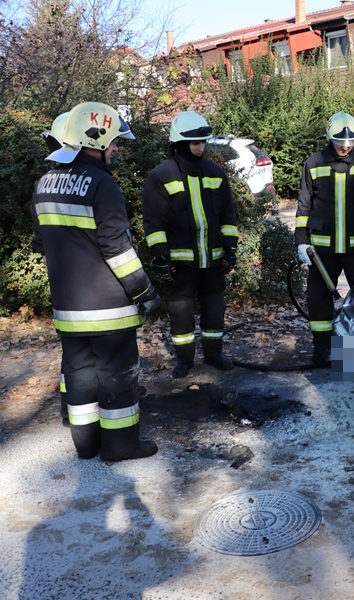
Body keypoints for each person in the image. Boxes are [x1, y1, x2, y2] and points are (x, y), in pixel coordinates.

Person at [32, 102, 162, 461]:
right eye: (114, 142)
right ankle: (121, 446)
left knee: (79, 376)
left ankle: (87, 445)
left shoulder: (44, 183)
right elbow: (117, 248)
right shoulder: (102, 184)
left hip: (68, 308)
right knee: (117, 375)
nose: (116, 148)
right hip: (109, 309)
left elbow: (42, 244)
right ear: (97, 140)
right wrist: (144, 291)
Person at [142, 111, 239, 378]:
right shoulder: (160, 176)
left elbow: (228, 215)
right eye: (195, 143)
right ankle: (184, 359)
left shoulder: (215, 173)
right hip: (180, 262)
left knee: (215, 309)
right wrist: (161, 258)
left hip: (213, 260)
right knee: (181, 312)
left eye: (203, 142)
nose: (201, 148)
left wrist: (230, 249)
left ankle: (214, 354)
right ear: (180, 144)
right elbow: (154, 221)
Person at [295, 111, 354, 366]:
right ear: (329, 138)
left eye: (351, 142)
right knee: (318, 299)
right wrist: (302, 241)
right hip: (322, 250)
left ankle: (352, 362)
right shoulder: (314, 163)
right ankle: (322, 352)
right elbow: (304, 205)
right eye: (340, 142)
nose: (345, 147)